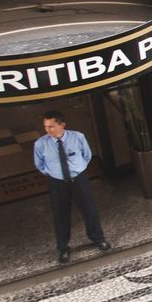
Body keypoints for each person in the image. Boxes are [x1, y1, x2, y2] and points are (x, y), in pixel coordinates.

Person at [34, 110, 111, 264]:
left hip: (78, 179)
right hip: (57, 182)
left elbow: (87, 155)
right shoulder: (40, 144)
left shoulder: (78, 137)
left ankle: (98, 238)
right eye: (45, 126)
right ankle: (63, 248)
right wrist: (54, 174)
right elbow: (40, 164)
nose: (48, 130)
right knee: (60, 215)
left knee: (89, 210)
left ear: (62, 125)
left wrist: (77, 169)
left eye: (51, 126)